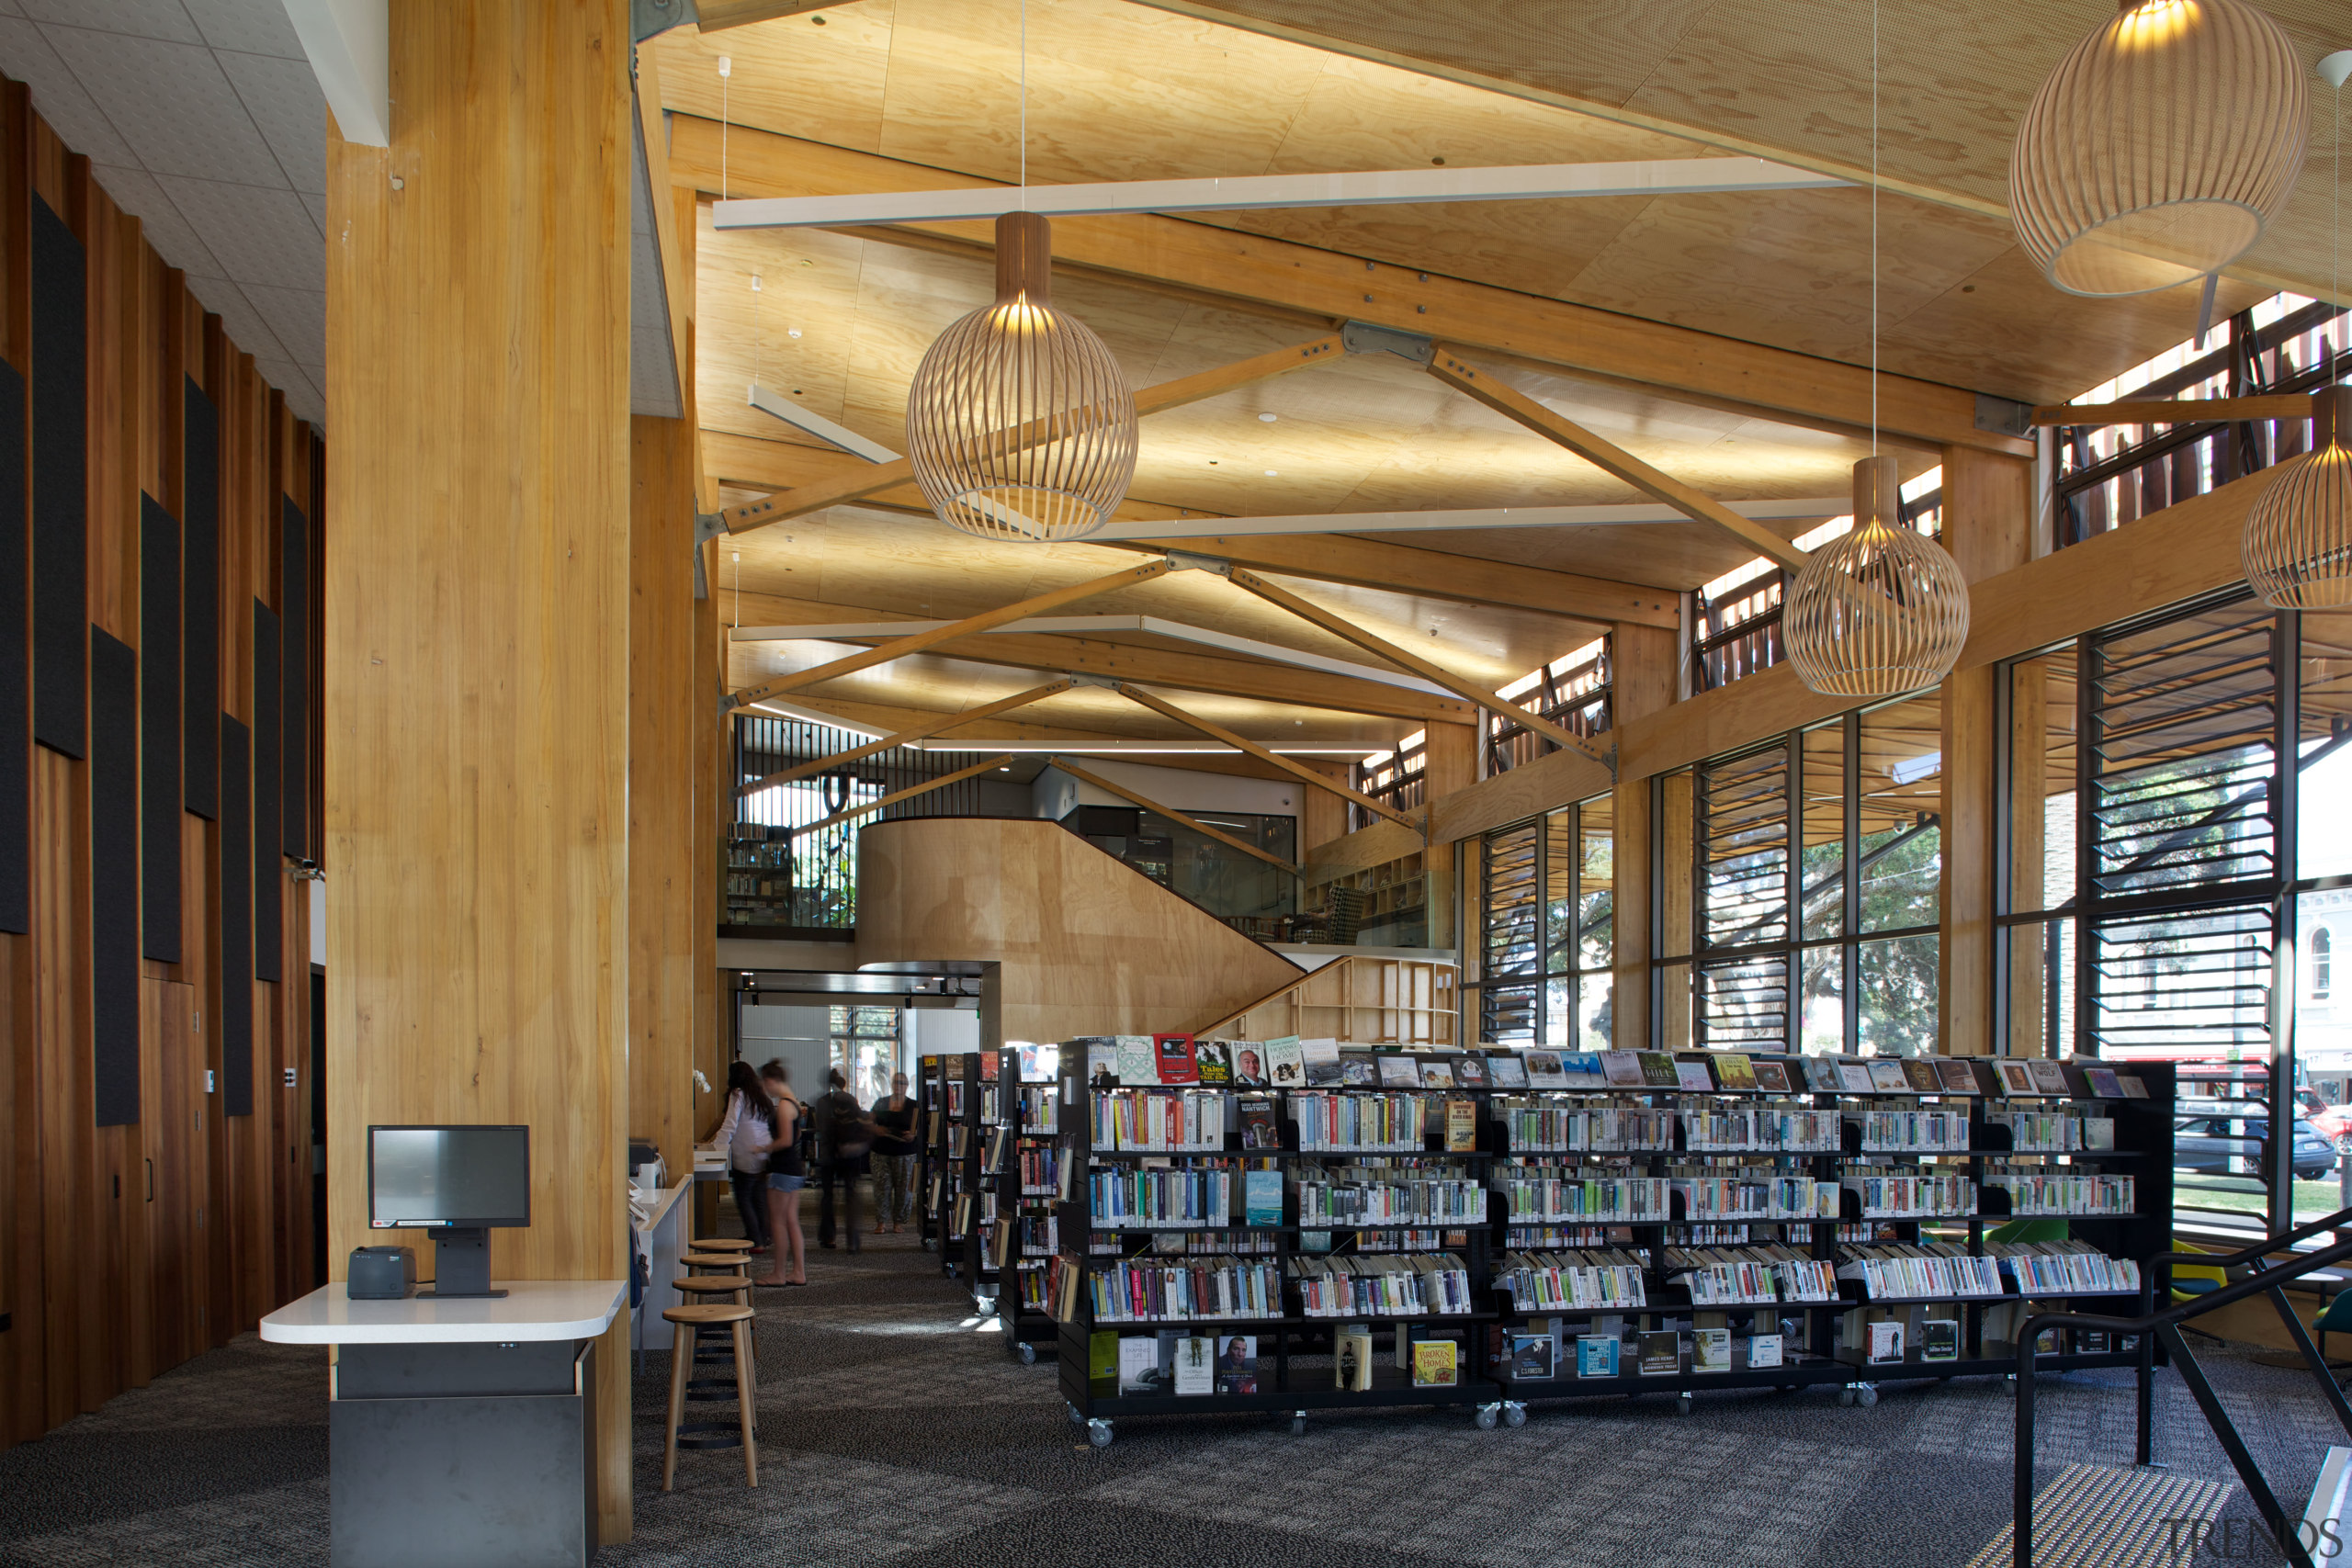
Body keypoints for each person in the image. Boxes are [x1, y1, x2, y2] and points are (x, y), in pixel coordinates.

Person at [707, 1062, 775, 1253]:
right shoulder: (760, 1095)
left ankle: (755, 1239)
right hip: (762, 1151)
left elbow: (730, 1124)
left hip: (745, 1153)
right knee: (759, 1197)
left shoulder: (737, 1094)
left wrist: (717, 1148)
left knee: (744, 1197)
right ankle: (762, 1236)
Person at [749, 1060, 807, 1287]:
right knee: (791, 1221)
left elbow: (785, 1139)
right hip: (794, 1169)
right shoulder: (793, 1102)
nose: (765, 1089)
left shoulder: (783, 1105)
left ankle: (779, 1274)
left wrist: (764, 1148)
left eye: (765, 1084)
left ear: (771, 1081)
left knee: (778, 1223)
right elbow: (798, 1136)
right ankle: (798, 1272)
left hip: (782, 1170)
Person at [809, 1068, 874, 1253]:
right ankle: (853, 1240)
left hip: (830, 1155)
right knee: (851, 1195)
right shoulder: (851, 1099)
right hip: (850, 1156)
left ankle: (828, 1237)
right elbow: (861, 1121)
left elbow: (821, 1128)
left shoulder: (822, 1103)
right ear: (843, 1083)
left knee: (828, 1196)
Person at [867, 1071, 920, 1234]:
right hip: (881, 1153)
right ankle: (881, 1222)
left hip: (905, 1153)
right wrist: (876, 1129)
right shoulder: (881, 1103)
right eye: (896, 1082)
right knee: (881, 1188)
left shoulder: (914, 1105)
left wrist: (913, 1134)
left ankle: (899, 1222)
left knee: (904, 1189)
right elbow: (869, 1122)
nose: (899, 1086)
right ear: (892, 1084)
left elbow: (921, 1127)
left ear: (907, 1086)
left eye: (902, 1083)